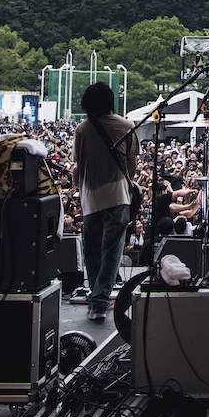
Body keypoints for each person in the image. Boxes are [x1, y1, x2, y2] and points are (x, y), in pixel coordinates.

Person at [71, 82, 138, 324]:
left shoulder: (82, 130)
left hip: (91, 198)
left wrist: (79, 188)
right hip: (118, 197)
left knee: (92, 251)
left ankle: (95, 299)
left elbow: (76, 169)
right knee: (112, 252)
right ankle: (100, 302)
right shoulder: (126, 126)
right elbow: (132, 166)